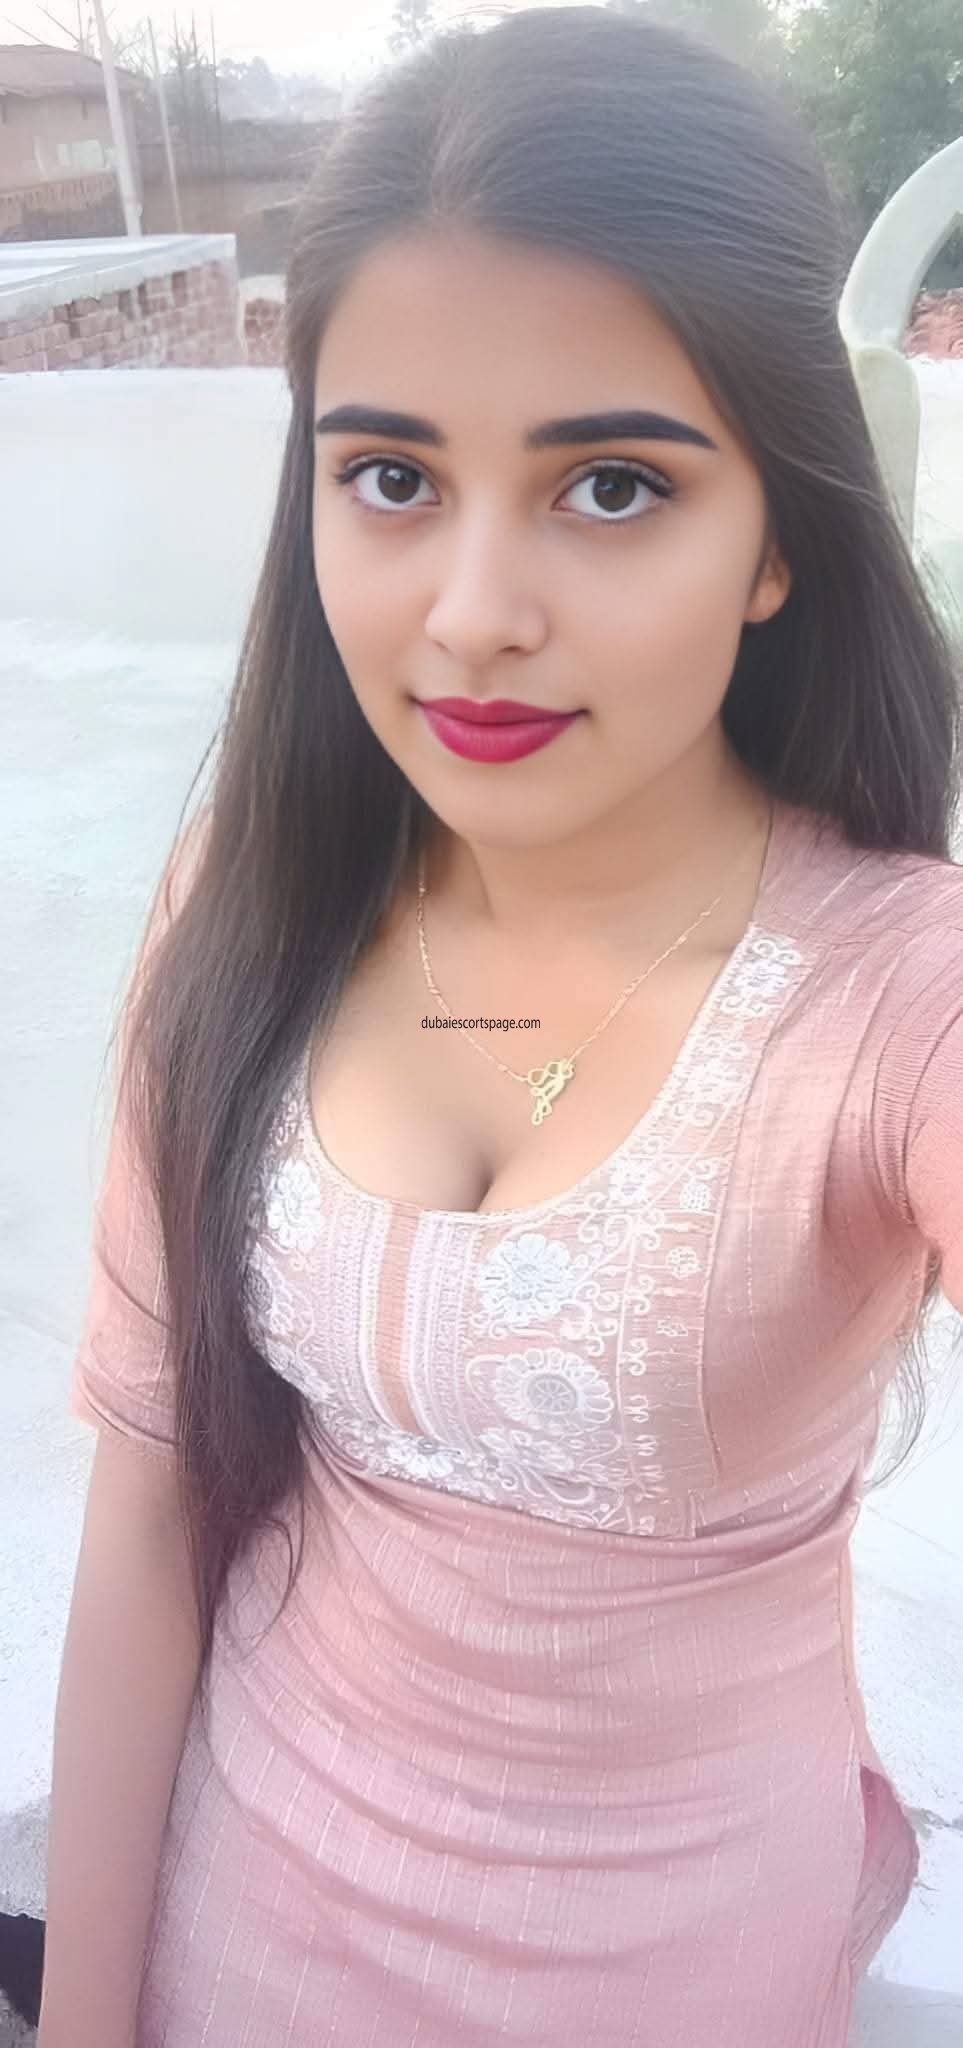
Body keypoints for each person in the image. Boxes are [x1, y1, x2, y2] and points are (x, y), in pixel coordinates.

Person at [39, 9, 963, 2047]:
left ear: (777, 536)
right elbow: (151, 1504)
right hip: (240, 1924)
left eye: (609, 488)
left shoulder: (896, 999)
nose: (469, 611)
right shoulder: (251, 897)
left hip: (676, 1979)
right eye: (390, 476)